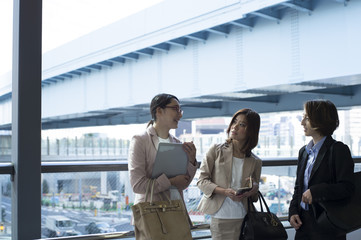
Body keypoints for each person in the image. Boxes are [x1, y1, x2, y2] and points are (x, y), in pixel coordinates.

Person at [289, 99, 355, 240]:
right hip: (302, 224)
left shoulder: (338, 150)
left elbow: (347, 187)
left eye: (306, 118)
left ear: (320, 119)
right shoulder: (304, 152)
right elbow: (298, 187)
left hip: (327, 224)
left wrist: (316, 192)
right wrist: (293, 212)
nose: (302, 123)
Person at [197, 108, 262, 240]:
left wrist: (254, 188)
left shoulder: (255, 161)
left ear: (251, 131)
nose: (235, 127)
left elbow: (254, 197)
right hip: (221, 216)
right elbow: (202, 181)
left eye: (242, 125)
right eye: (234, 122)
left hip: (245, 218)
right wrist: (224, 192)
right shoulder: (216, 150)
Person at [128, 93, 197, 210]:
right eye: (175, 109)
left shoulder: (177, 143)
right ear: (159, 111)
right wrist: (171, 182)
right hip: (151, 213)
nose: (179, 115)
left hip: (175, 209)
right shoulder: (140, 140)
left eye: (180, 110)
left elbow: (184, 183)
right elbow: (137, 185)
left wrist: (191, 160)